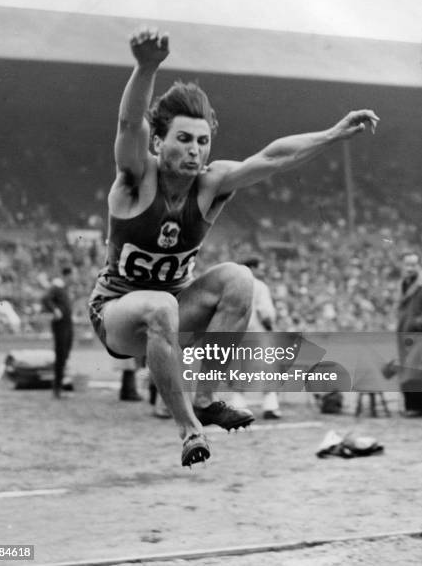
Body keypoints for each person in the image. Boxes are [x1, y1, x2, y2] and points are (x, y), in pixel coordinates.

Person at [88, 26, 380, 467]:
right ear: (158, 141)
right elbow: (129, 122)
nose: (194, 151)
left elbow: (273, 158)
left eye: (202, 142)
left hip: (174, 307)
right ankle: (189, 429)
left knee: (240, 279)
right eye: (183, 139)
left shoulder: (212, 183)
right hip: (118, 314)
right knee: (159, 308)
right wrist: (146, 67)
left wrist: (331, 135)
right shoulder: (135, 177)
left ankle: (207, 399)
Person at [228, 258, 282, 419]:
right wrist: (271, 328)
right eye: (260, 268)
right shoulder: (259, 286)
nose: (262, 271)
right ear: (251, 268)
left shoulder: (232, 286)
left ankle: (237, 405)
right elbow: (265, 313)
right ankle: (270, 406)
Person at [42, 267, 75, 398]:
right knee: (61, 354)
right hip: (60, 325)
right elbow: (45, 299)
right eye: (73, 275)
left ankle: (60, 385)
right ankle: (57, 388)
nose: (74, 278)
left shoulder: (65, 289)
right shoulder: (56, 287)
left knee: (65, 353)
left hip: (68, 324)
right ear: (67, 275)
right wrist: (54, 310)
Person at [396, 251, 422, 416]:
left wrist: (417, 323)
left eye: (414, 265)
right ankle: (411, 406)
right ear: (402, 266)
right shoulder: (403, 284)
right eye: (407, 264)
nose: (410, 268)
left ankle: (417, 407)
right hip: (404, 335)